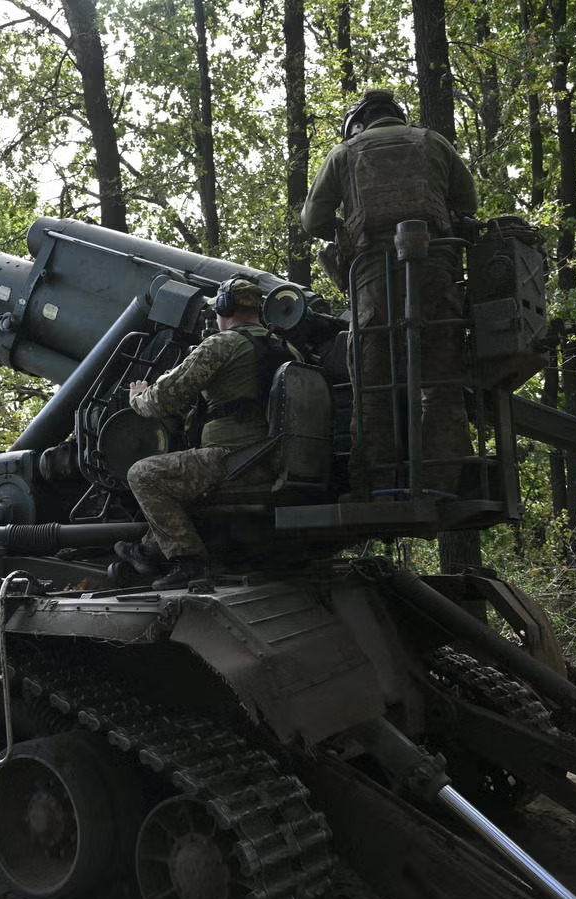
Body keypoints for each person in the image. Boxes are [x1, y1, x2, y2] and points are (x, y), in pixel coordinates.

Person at [301, 88, 478, 496]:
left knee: (372, 383)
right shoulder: (433, 142)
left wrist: (347, 228)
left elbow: (313, 221)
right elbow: (467, 202)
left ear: (358, 123)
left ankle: (378, 484)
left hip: (372, 278)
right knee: (441, 380)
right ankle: (443, 482)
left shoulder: (344, 151)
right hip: (435, 272)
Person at [115, 278, 298, 589]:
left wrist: (138, 397)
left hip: (235, 462)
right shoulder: (288, 349)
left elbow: (162, 400)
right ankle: (146, 552)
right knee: (185, 481)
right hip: (277, 460)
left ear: (224, 307)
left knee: (144, 475)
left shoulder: (222, 344)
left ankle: (190, 561)